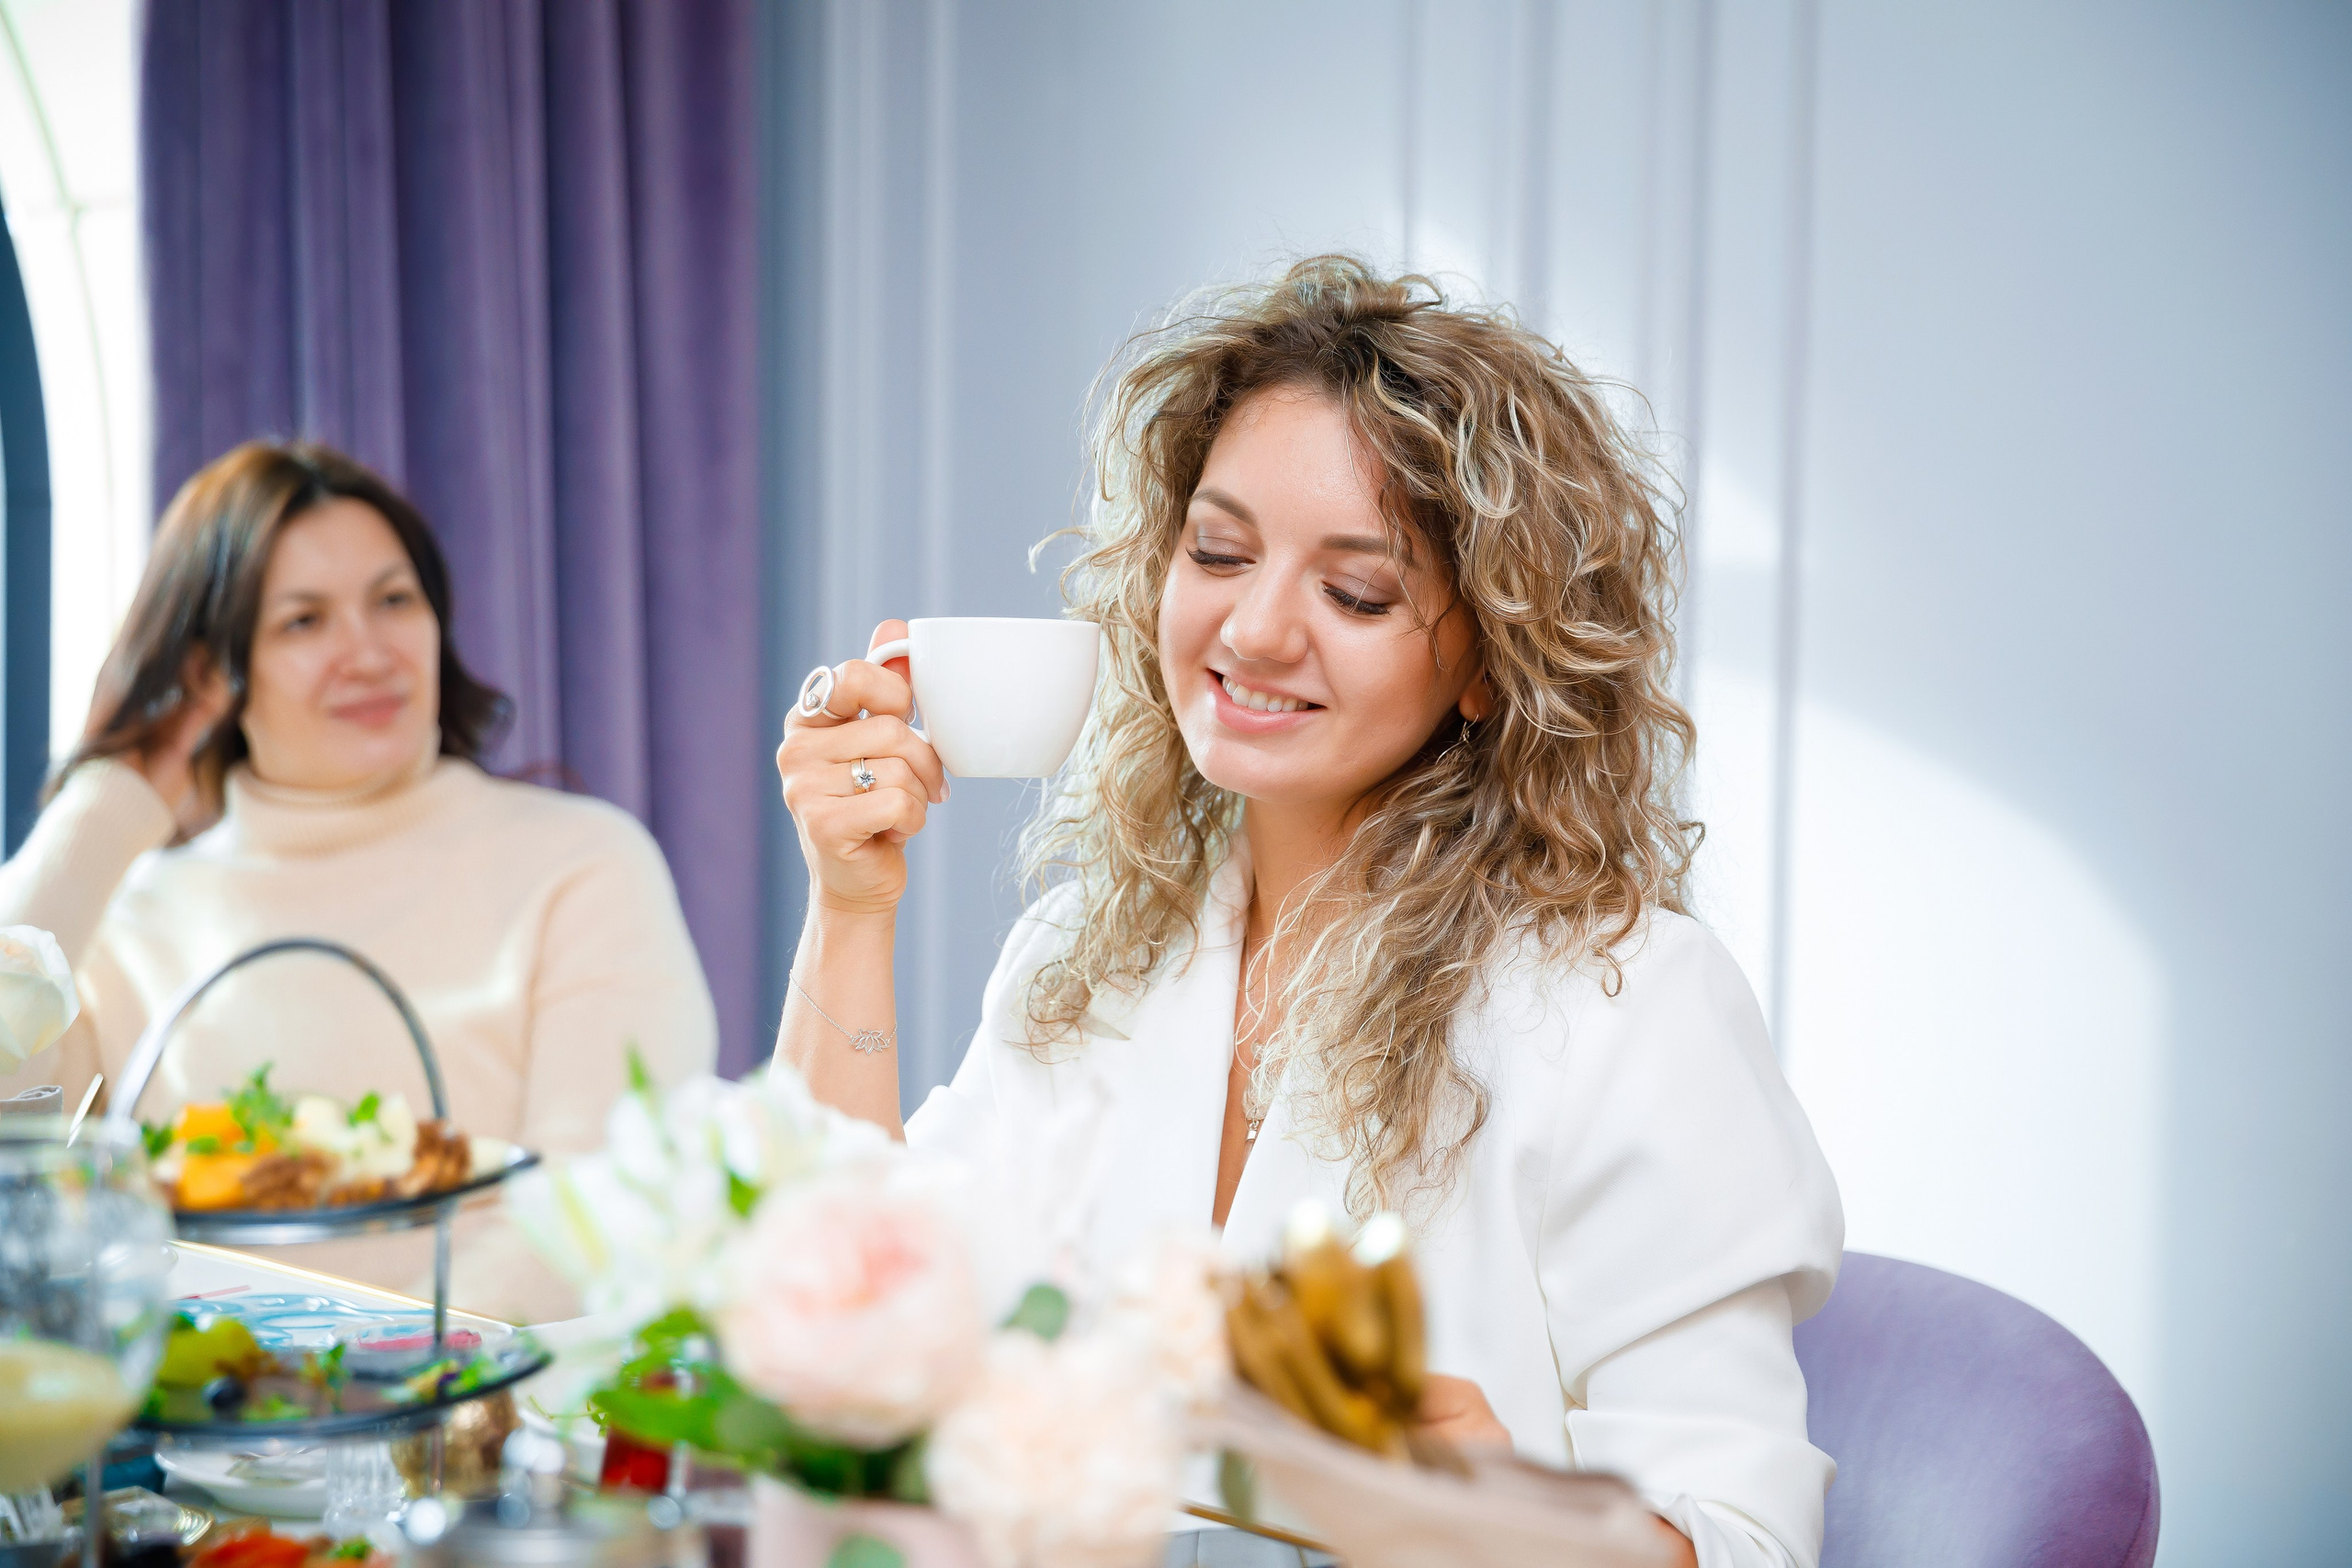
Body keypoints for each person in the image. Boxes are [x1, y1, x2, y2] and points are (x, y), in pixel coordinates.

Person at [775, 257, 1842, 1568]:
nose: (1257, 628)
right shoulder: (1090, 954)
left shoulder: (1629, 1004)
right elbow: (844, 1312)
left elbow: (1743, 1541)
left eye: (1357, 592)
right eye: (1217, 551)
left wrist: (1481, 1517)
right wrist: (851, 904)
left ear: (1490, 661)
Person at [0, 441, 716, 1321]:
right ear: (209, 673)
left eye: (394, 600)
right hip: (192, 1440)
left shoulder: (583, 862)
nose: (369, 651)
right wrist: (111, 802)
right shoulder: (134, 918)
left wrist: (356, 1390)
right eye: (304, 621)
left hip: (481, 1427)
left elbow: (597, 1206)